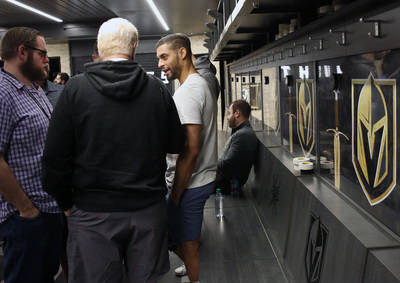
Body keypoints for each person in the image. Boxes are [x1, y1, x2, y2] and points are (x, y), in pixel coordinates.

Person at [42, 18, 184, 283]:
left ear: (99, 48)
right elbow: (177, 144)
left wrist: (65, 203)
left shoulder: (74, 90)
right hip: (147, 212)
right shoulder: (157, 90)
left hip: (91, 214)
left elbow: (54, 158)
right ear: (134, 47)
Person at [0, 26, 64, 283]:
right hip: (25, 218)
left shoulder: (34, 90)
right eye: (43, 53)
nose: (47, 59)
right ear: (22, 52)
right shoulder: (3, 94)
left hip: (49, 209)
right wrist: (26, 209)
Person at [157, 33, 217, 283]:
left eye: (164, 56)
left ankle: (194, 278)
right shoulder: (196, 85)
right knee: (181, 237)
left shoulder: (189, 92)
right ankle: (190, 270)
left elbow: (191, 149)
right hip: (196, 179)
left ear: (182, 53)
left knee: (187, 242)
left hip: (190, 183)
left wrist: (177, 193)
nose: (160, 63)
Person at [217, 100, 259, 194]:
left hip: (226, 185)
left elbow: (226, 164)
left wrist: (210, 165)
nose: (227, 118)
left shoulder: (242, 135)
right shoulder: (242, 132)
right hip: (225, 182)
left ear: (237, 114)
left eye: (229, 113)